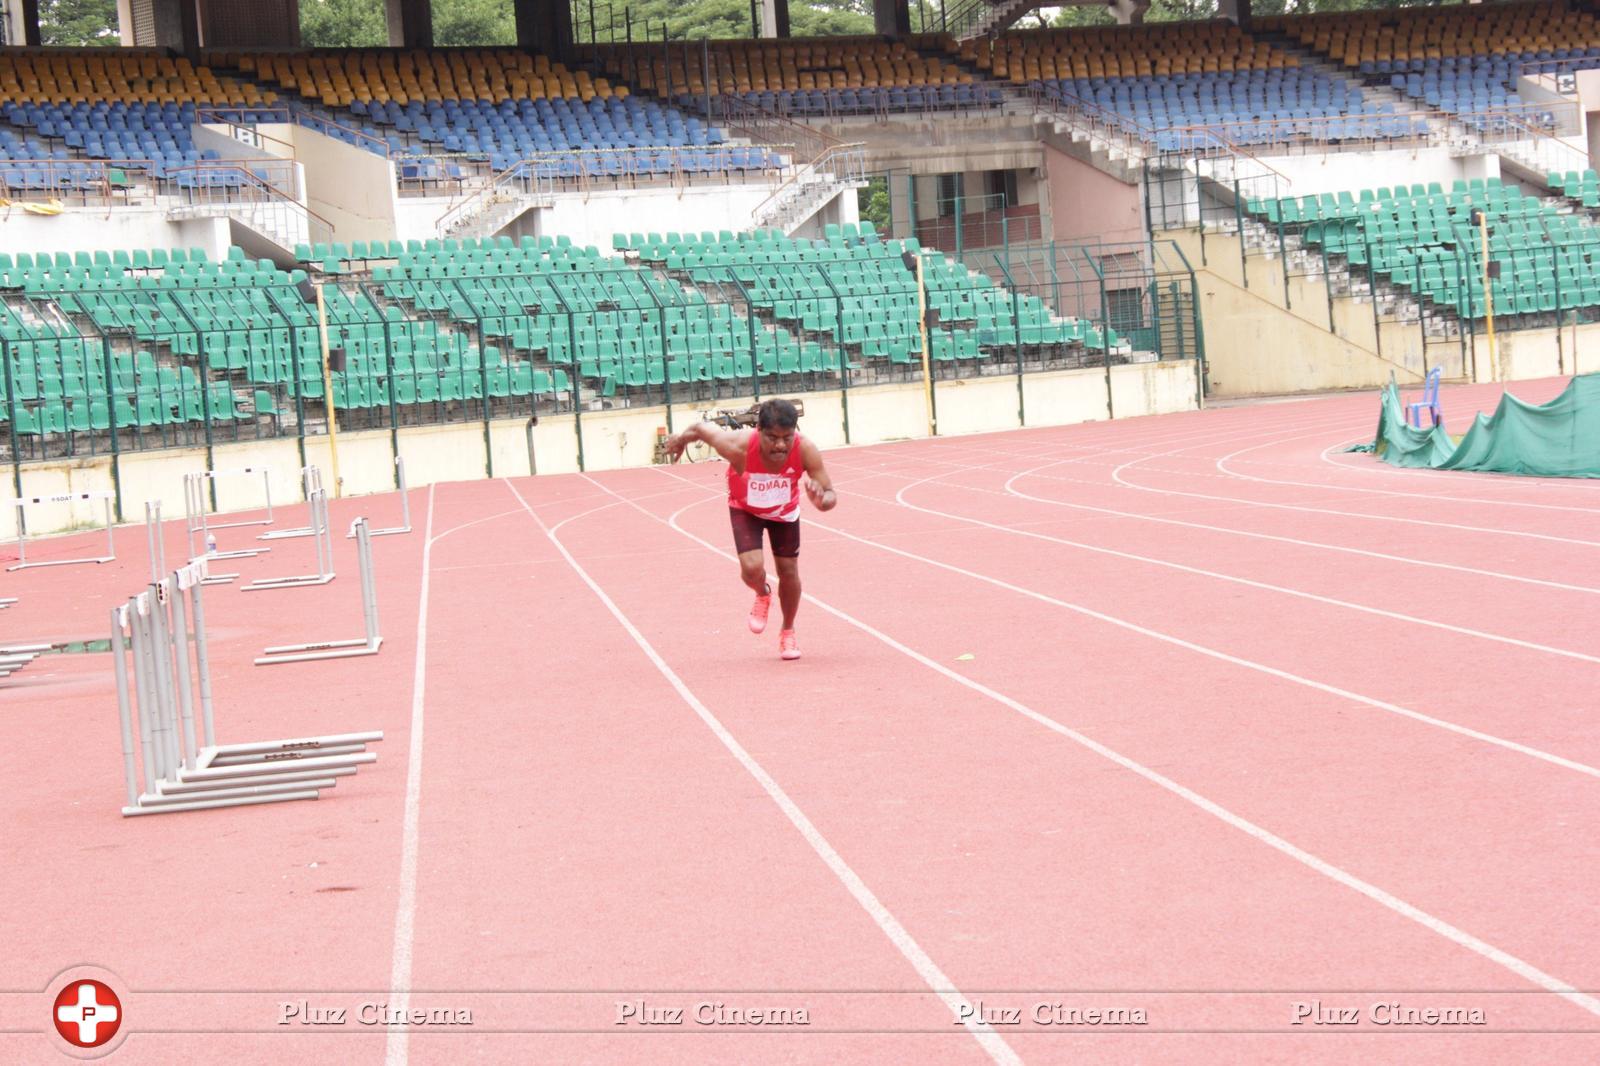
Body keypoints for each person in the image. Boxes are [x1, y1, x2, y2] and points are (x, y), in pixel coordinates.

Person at [664, 399, 837, 660]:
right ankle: (762, 593)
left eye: (787, 438)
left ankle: (787, 632)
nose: (780, 445)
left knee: (789, 572)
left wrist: (821, 501)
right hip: (745, 508)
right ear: (758, 430)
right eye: (772, 438)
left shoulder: (805, 450)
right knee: (752, 569)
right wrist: (680, 440)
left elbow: (830, 494)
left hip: (784, 512)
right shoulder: (737, 445)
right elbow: (701, 428)